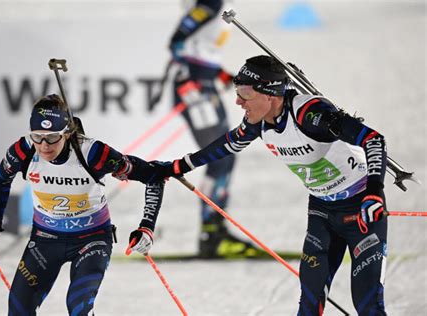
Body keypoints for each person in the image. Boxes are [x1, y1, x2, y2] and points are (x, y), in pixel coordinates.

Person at [156, 55, 388, 315]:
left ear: (270, 93)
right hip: (322, 212)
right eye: (237, 90)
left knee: (367, 305)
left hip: (361, 209)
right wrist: (177, 167)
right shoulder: (260, 122)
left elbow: (373, 140)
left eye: (245, 92)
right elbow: (226, 144)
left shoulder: (309, 114)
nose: (238, 101)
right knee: (309, 305)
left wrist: (374, 192)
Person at [0, 94, 165, 315]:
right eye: (37, 136)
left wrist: (147, 226)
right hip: (45, 240)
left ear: (68, 132)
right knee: (18, 310)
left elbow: (153, 176)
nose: (44, 146)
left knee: (78, 308)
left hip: (91, 240)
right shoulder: (23, 151)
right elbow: (1, 179)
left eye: (52, 137)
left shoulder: (93, 152)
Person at [168, 0, 263, 258]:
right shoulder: (211, 2)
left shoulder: (219, 4)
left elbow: (198, 48)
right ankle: (212, 234)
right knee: (222, 155)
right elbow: (177, 40)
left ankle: (214, 230)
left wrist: (219, 75)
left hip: (203, 85)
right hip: (195, 90)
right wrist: (186, 78)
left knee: (225, 156)